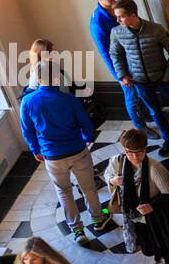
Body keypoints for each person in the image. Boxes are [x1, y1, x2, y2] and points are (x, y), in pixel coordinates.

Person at [19, 43, 115, 248]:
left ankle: (77, 229)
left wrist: (36, 150)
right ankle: (99, 219)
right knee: (88, 187)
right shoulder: (69, 99)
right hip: (77, 150)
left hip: (52, 156)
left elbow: (27, 130)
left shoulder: (27, 102)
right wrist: (87, 137)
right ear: (56, 78)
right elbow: (85, 123)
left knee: (63, 192)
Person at [104, 129, 169, 264]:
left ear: (146, 148)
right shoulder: (117, 162)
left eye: (140, 152)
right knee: (148, 248)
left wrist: (153, 206)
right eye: (130, 153)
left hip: (156, 220)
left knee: (167, 249)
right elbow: (108, 174)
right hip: (135, 219)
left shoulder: (155, 169)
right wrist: (112, 180)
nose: (135, 157)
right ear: (124, 151)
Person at [108, 0, 169, 157]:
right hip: (140, 82)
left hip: (162, 78)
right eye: (116, 16)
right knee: (155, 111)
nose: (117, 20)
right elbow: (115, 54)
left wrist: (168, 74)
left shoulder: (156, 29)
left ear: (132, 14)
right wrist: (122, 75)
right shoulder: (116, 32)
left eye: (121, 16)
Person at [88, 0, 156, 137]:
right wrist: (121, 76)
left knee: (142, 90)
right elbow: (106, 53)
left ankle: (144, 114)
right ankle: (140, 126)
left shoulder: (117, 7)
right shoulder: (97, 23)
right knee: (131, 95)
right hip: (123, 66)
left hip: (135, 58)